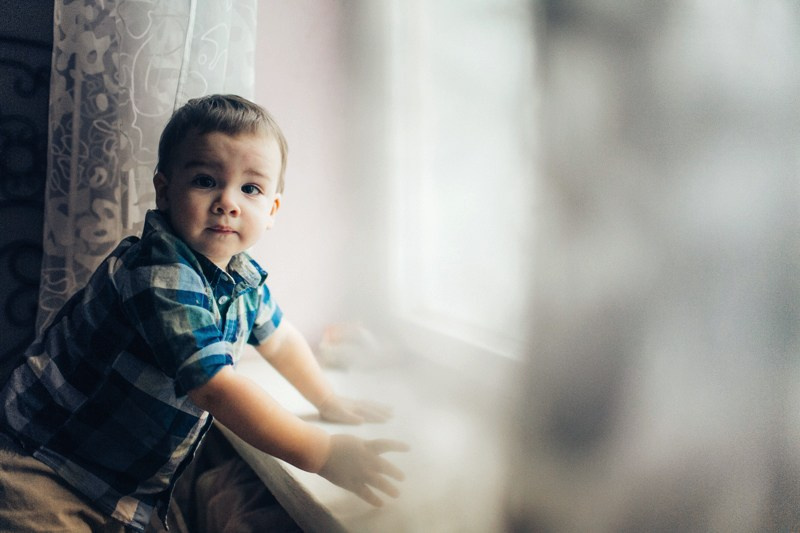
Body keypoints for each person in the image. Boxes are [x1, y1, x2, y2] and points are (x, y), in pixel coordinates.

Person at [0, 94, 407, 532]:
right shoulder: (159, 273)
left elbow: (280, 338)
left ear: (271, 210)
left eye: (250, 188)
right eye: (205, 181)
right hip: (45, 466)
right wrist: (320, 452)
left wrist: (326, 399)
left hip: (122, 486)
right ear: (164, 189)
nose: (228, 201)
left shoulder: (241, 279)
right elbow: (214, 388)